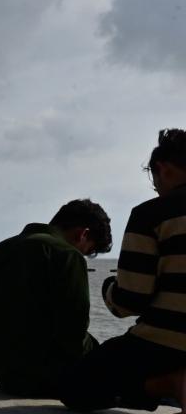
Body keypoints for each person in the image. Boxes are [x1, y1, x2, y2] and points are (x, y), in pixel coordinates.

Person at [62, 129, 186, 411]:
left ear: (163, 169)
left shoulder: (152, 214)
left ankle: (169, 384)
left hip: (165, 343)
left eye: (155, 180)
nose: (156, 187)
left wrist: (109, 287)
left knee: (74, 386)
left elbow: (131, 300)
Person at [0, 199, 112, 397]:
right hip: (44, 378)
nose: (83, 255)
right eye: (89, 251)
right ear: (83, 234)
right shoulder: (66, 255)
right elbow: (73, 333)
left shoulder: (0, 249)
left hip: (3, 376)